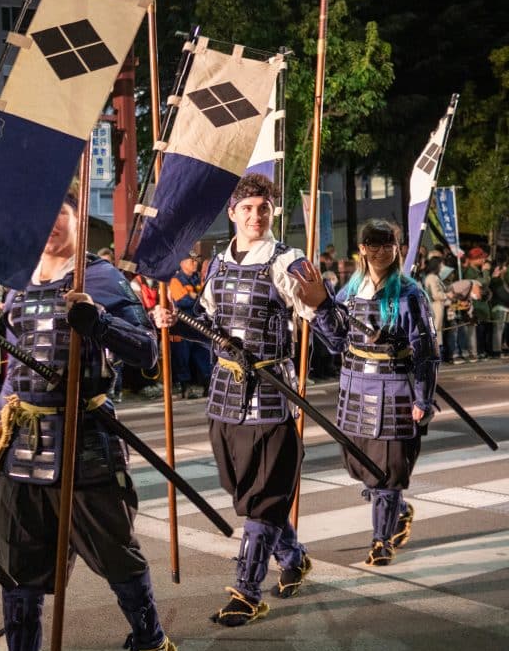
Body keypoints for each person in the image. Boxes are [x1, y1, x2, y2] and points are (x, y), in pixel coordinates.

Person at [0, 184, 176, 651]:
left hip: (86, 440)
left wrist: (99, 322)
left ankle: (152, 641)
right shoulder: (18, 283)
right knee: (16, 569)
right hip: (22, 445)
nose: (50, 222)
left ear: (78, 217)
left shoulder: (102, 276)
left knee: (116, 556)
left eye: (61, 212)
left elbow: (147, 353)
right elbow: (16, 366)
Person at [154, 173, 313, 627]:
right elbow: (207, 321)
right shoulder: (219, 263)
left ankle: (247, 590)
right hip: (224, 395)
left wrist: (325, 310)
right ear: (233, 213)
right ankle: (294, 556)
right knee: (242, 490)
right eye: (248, 209)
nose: (256, 216)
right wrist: (174, 321)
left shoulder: (288, 260)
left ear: (272, 212)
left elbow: (319, 313)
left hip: (269, 393)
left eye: (263, 209)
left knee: (264, 497)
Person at [291, 219, 439, 566]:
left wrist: (422, 398)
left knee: (386, 472)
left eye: (388, 245)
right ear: (362, 249)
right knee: (361, 468)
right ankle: (398, 511)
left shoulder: (410, 293)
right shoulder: (349, 291)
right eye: (374, 245)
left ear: (397, 248)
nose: (382, 251)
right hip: (355, 386)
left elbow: (427, 351)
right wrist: (318, 312)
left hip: (395, 389)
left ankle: (381, 541)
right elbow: (336, 342)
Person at [168, 249, 212, 399]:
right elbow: (182, 301)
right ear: (181, 263)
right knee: (182, 356)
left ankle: (207, 385)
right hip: (182, 324)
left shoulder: (197, 278)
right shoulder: (175, 280)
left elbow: (204, 298)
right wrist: (196, 297)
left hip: (199, 322)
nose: (195, 263)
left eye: (196, 260)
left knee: (203, 354)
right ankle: (185, 387)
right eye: (191, 260)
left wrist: (195, 297)